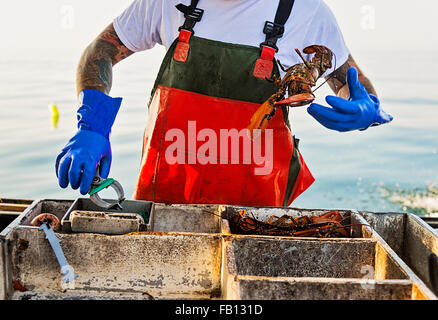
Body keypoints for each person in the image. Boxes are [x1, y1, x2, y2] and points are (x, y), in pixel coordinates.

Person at [55, 0, 393, 207]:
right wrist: (92, 126)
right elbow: (99, 53)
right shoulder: (165, 1)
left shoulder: (306, 11)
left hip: (260, 213)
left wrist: (367, 108)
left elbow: (349, 82)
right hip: (166, 201)